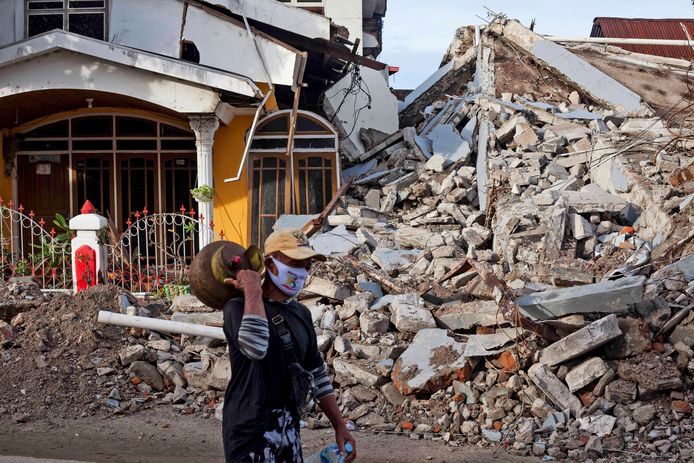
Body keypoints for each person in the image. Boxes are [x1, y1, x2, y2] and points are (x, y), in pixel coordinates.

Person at [221, 229, 356, 463]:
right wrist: (253, 290)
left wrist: (339, 425)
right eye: (295, 263)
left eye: (307, 266)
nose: (302, 272)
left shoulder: (301, 313)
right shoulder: (237, 307)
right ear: (269, 264)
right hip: (250, 432)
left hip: (287, 428)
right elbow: (255, 347)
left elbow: (317, 373)